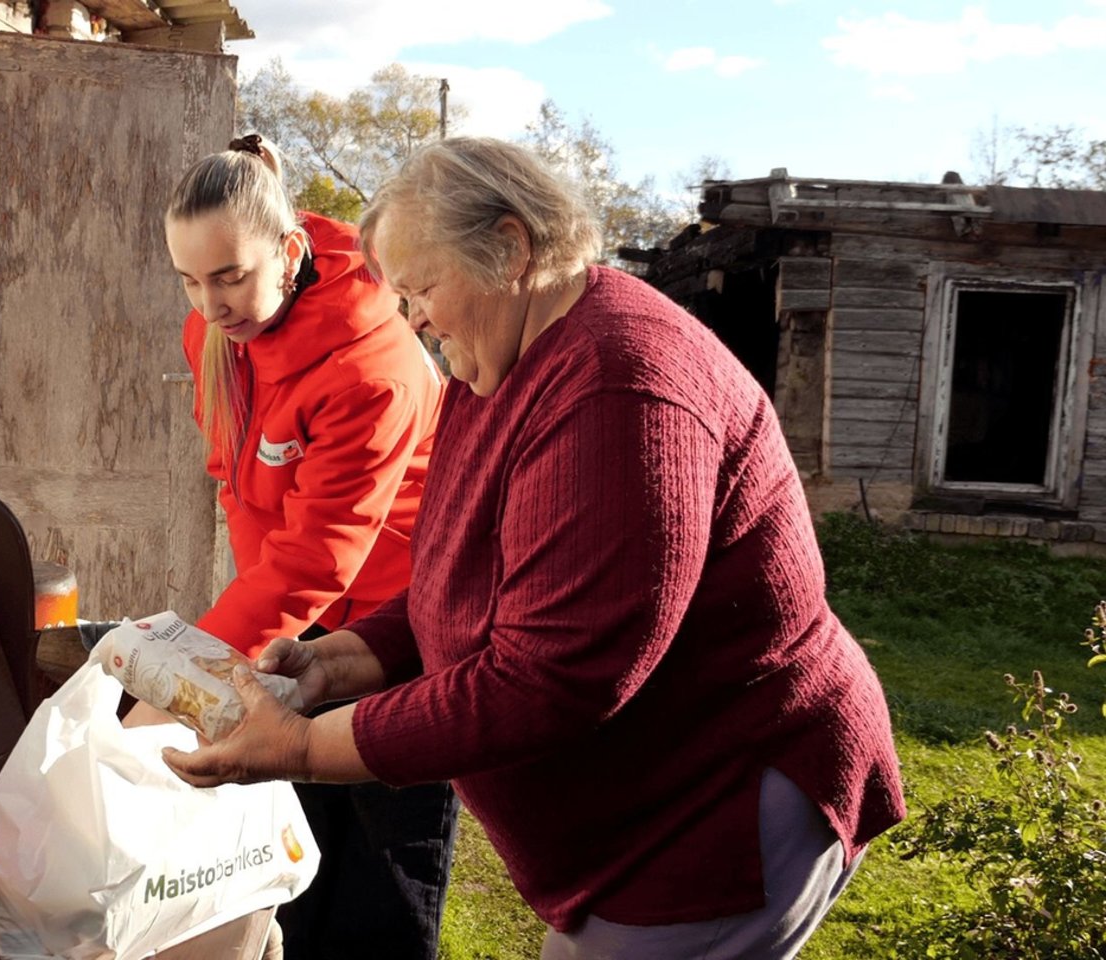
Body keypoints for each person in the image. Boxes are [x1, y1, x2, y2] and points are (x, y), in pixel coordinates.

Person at [162, 137, 908, 960]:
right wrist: (342, 662)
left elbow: (546, 679)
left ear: (511, 251)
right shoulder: (503, 357)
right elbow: (466, 573)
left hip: (717, 811)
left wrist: (304, 748)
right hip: (646, 809)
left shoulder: (619, 389)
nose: (410, 318)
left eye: (421, 288)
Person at [159, 134, 458, 960]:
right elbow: (242, 487)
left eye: (228, 276)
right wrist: (245, 639)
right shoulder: (216, 335)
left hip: (400, 626)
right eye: (189, 280)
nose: (209, 303)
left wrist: (193, 672)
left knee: (385, 866)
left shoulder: (372, 366)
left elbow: (321, 556)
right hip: (297, 619)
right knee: (296, 844)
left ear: (289, 251)